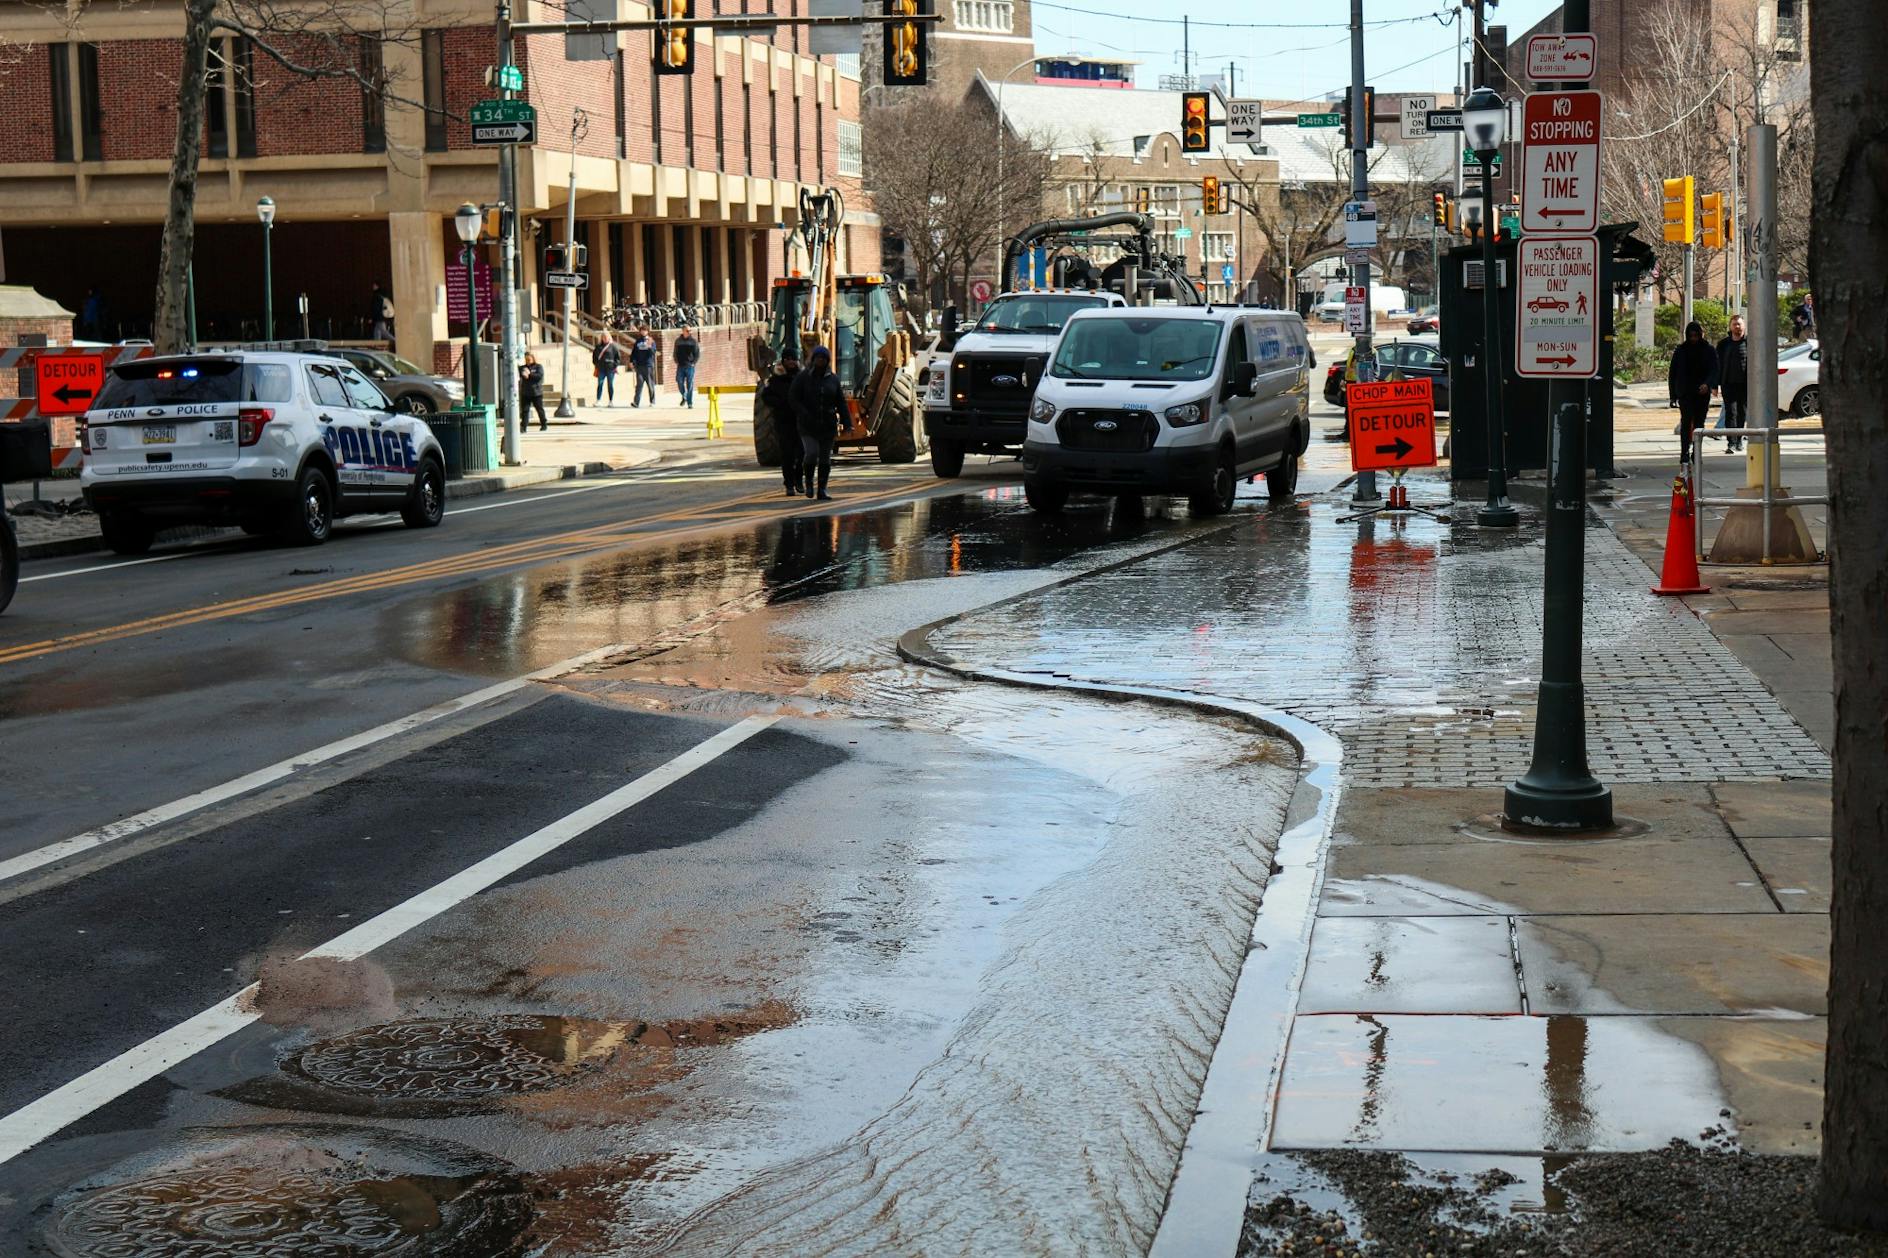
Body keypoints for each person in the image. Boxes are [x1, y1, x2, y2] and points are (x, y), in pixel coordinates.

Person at [789, 345, 844, 500]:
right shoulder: (803, 377)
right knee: (812, 453)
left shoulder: (833, 379)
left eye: (823, 358)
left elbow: (841, 402)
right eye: (818, 358)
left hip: (827, 426)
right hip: (808, 425)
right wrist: (803, 412)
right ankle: (809, 483)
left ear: (827, 361)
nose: (820, 361)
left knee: (825, 458)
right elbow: (793, 397)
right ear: (813, 360)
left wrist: (847, 422)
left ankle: (822, 488)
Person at [1668, 320, 1719, 465]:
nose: (1694, 339)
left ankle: (1696, 452)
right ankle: (1684, 452)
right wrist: (1673, 395)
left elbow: (1714, 370)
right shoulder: (1681, 350)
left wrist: (1708, 384)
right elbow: (1673, 373)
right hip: (1685, 392)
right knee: (1686, 423)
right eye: (1691, 336)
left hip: (1702, 393)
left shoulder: (1708, 350)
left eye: (1696, 336)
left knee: (1699, 423)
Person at [759, 350, 803, 495]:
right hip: (784, 422)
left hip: (801, 421)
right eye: (787, 359)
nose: (790, 362)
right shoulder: (776, 380)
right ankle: (789, 484)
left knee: (802, 453)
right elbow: (766, 397)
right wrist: (781, 404)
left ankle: (799, 479)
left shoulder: (802, 378)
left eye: (793, 359)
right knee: (788, 455)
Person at [1715, 314, 1749, 455]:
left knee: (1742, 413)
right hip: (1728, 384)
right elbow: (1717, 365)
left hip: (1744, 384)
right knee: (1731, 413)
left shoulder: (1750, 343)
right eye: (1734, 324)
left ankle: (1739, 441)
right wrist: (1715, 385)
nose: (1737, 326)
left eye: (1739, 324)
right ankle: (1731, 442)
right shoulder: (1723, 344)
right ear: (1730, 326)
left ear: (1744, 326)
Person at [672, 326, 701, 408]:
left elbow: (697, 354)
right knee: (679, 382)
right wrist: (676, 360)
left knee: (690, 384)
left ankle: (689, 403)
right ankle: (684, 396)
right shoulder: (678, 341)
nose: (689, 332)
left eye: (690, 330)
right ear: (683, 331)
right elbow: (675, 352)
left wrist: (693, 363)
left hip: (690, 366)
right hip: (680, 365)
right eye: (687, 330)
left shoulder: (693, 341)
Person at [629, 327, 658, 406]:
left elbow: (653, 352)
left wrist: (649, 346)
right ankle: (636, 402)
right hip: (639, 366)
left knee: (650, 384)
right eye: (642, 330)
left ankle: (652, 401)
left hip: (648, 366)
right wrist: (631, 361)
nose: (643, 332)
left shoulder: (651, 340)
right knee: (639, 385)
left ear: (647, 331)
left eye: (645, 330)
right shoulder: (638, 341)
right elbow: (634, 352)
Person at [590, 332, 621, 407]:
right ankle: (598, 400)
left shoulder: (613, 346)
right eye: (603, 337)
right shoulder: (598, 347)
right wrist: (597, 364)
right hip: (601, 368)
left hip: (610, 368)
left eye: (606, 337)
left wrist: (614, 365)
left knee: (610, 384)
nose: (605, 339)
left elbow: (618, 357)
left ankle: (611, 401)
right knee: (600, 384)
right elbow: (594, 357)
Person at [519, 352, 547, 432]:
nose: (527, 361)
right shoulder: (523, 367)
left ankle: (544, 424)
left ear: (533, 358)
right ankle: (523, 427)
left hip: (536, 393)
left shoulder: (538, 367)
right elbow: (521, 375)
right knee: (525, 410)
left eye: (529, 359)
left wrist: (530, 374)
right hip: (525, 393)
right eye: (526, 359)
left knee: (539, 409)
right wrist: (524, 373)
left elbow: (539, 376)